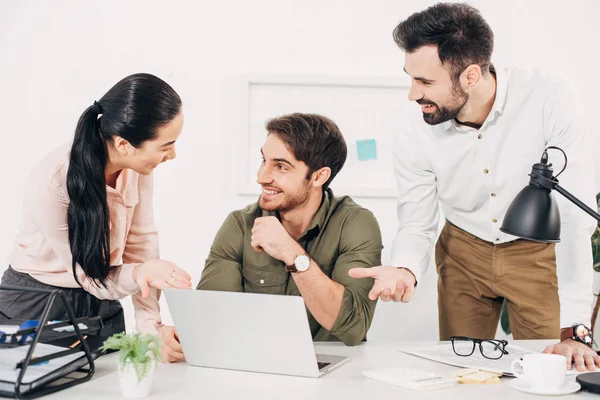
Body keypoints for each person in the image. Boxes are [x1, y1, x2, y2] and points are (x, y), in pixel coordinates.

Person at [349, 3, 600, 371]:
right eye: (411, 78)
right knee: (462, 372)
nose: (412, 94)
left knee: (550, 368)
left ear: (469, 76)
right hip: (462, 250)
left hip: (536, 251)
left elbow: (574, 216)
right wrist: (404, 268)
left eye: (425, 82)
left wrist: (576, 326)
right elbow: (417, 219)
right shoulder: (411, 126)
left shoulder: (550, 96)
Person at [0, 73, 191, 363]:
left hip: (101, 306)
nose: (173, 155)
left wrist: (151, 330)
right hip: (39, 306)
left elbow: (142, 248)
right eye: (166, 145)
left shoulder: (138, 168)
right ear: (125, 144)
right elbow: (94, 277)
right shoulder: (52, 183)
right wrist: (141, 273)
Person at [197, 113, 382, 345]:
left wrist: (293, 255)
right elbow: (209, 320)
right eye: (264, 160)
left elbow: (353, 328)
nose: (262, 177)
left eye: (281, 167)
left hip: (333, 371)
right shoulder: (240, 225)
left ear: (318, 176)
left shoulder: (355, 224)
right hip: (256, 365)